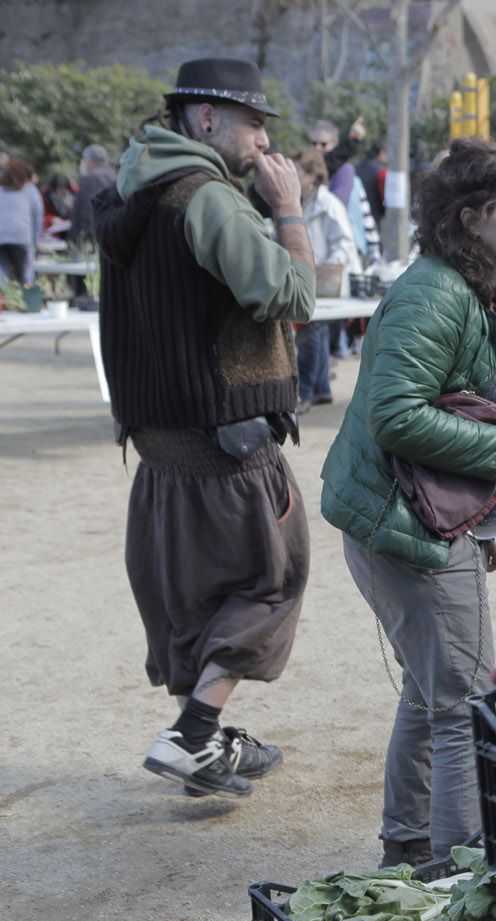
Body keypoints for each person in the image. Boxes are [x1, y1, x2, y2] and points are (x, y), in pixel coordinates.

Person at [320, 137, 496, 867]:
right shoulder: (435, 293)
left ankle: (410, 847)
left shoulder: (472, 288)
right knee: (463, 707)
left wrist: (478, 522)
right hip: (404, 528)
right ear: (471, 217)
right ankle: (459, 872)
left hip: (421, 522)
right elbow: (396, 416)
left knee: (431, 695)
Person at [93, 57, 315, 797]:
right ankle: (192, 736)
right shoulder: (207, 197)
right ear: (207, 118)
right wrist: (289, 210)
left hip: (160, 447)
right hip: (227, 442)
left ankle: (207, 743)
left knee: (197, 598)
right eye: (253, 123)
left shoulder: (131, 190)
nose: (263, 141)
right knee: (273, 579)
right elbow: (294, 295)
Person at [290, 148, 357, 413]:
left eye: (297, 171)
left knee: (311, 335)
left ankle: (307, 393)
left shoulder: (329, 204)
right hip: (309, 280)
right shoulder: (299, 202)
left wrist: (329, 264)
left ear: (312, 175)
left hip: (327, 283)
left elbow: (345, 243)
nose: (292, 176)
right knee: (313, 333)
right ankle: (321, 390)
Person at [0, 157, 44, 283]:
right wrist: (36, 241)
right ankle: (26, 293)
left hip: (1, 236)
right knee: (26, 275)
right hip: (22, 236)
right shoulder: (30, 190)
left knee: (2, 276)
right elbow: (38, 216)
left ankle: (5, 294)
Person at [68, 144, 117, 250]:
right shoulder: (113, 175)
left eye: (84, 159)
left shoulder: (93, 178)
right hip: (110, 233)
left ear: (89, 161)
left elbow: (88, 210)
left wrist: (86, 237)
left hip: (95, 239)